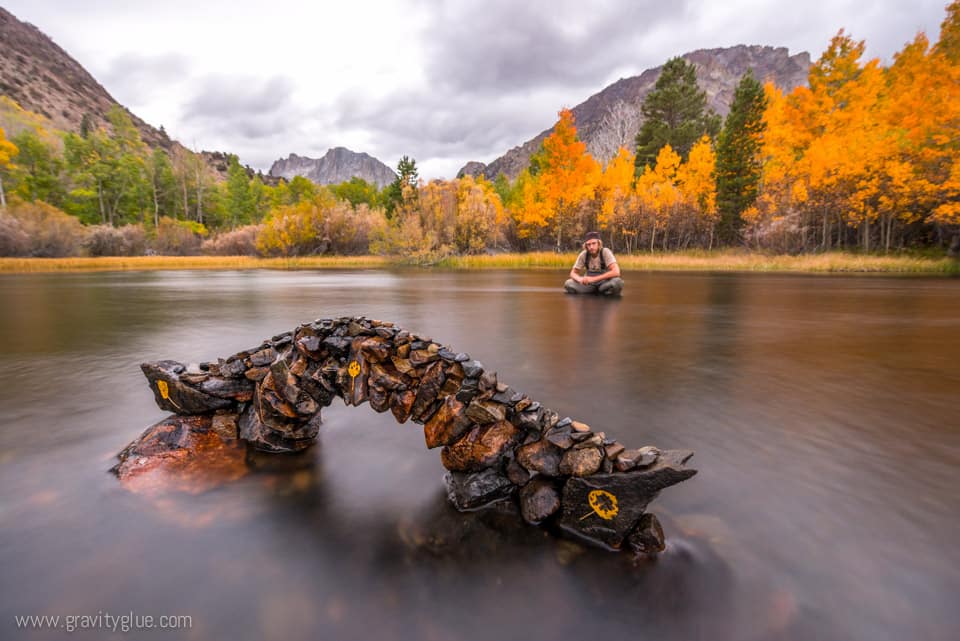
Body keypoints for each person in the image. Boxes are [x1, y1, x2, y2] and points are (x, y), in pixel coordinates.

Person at [564, 231, 624, 296]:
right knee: (568, 283)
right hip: (589, 285)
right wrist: (580, 279)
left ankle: (602, 291)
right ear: (586, 246)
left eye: (594, 243)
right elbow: (573, 273)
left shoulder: (605, 252)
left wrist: (593, 279)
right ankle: (596, 292)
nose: (591, 247)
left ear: (599, 243)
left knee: (617, 282)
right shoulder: (584, 255)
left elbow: (616, 272)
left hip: (604, 283)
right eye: (588, 244)